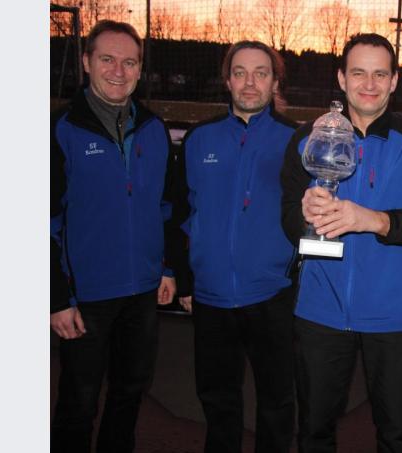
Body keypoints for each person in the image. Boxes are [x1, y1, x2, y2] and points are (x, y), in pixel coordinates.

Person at [280, 33, 402, 453]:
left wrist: (372, 220)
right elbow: (287, 220)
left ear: (395, 81)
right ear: (341, 78)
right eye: (358, 72)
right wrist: (305, 211)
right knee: (314, 432)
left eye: (380, 73)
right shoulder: (310, 139)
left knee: (396, 435)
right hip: (319, 310)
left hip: (394, 315)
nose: (369, 84)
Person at [50, 20, 179, 453]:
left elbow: (167, 208)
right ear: (86, 63)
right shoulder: (59, 130)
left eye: (129, 62)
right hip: (84, 297)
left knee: (129, 396)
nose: (118, 71)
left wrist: (166, 269)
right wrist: (55, 297)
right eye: (107, 59)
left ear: (140, 69)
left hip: (142, 292)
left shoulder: (154, 129)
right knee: (78, 404)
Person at [173, 41, 298, 453]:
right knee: (218, 402)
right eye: (240, 72)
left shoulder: (297, 143)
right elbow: (182, 213)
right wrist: (186, 280)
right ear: (227, 80)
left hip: (273, 294)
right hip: (211, 297)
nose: (250, 82)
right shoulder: (198, 138)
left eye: (261, 72)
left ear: (275, 81)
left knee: (277, 403)